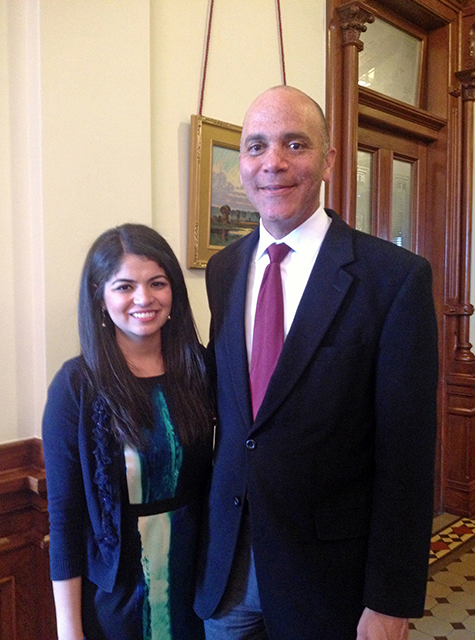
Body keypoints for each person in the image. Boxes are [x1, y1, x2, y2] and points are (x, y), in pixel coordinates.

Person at [194, 86, 438, 640]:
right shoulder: (225, 269)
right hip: (227, 570)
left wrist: (391, 600)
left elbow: (407, 458)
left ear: (328, 159)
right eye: (256, 146)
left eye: (294, 143)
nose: (272, 162)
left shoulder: (393, 279)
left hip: (330, 585)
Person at [43, 223, 213, 640]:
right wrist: (70, 631)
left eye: (157, 282)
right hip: (118, 597)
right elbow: (65, 517)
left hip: (199, 583)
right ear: (101, 298)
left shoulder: (201, 370)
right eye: (124, 286)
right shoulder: (76, 386)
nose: (144, 298)